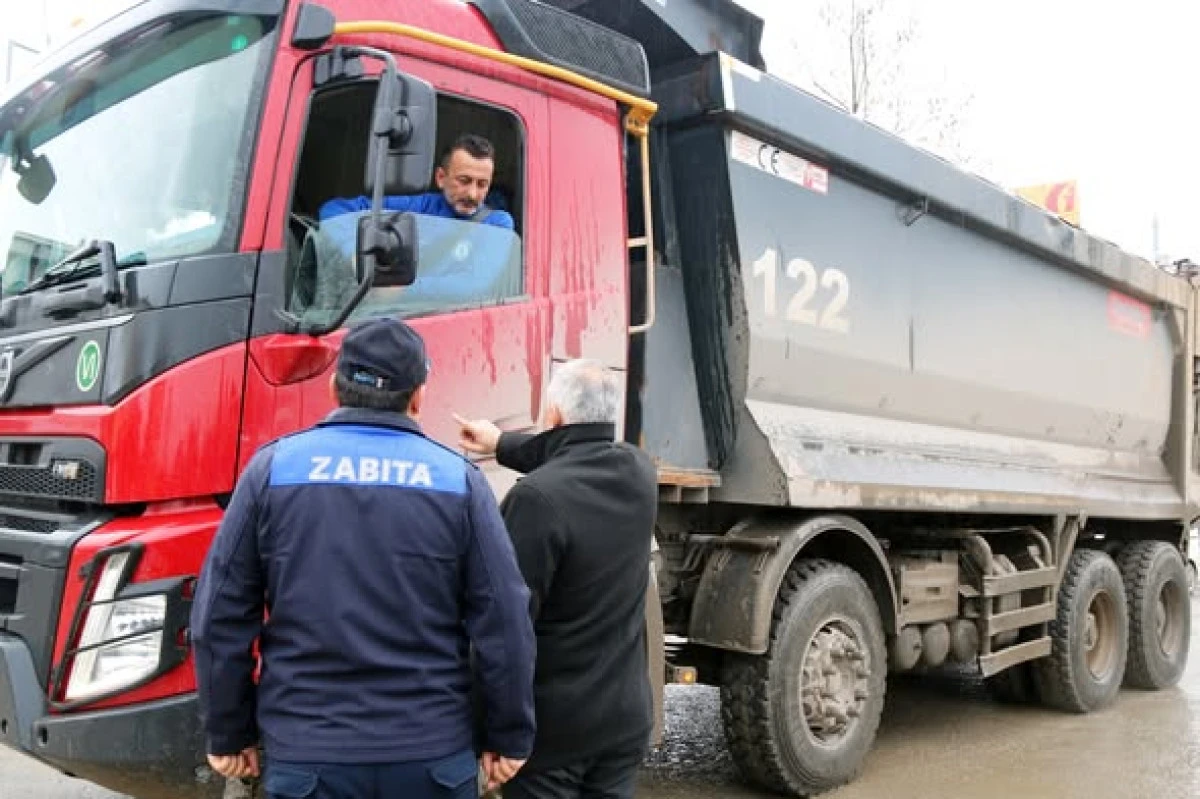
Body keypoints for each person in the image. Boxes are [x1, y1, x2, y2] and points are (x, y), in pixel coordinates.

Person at [190, 317, 536, 799]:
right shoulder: (459, 482)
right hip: (430, 758)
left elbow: (218, 616)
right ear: (418, 397)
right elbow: (504, 620)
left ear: (334, 388)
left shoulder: (273, 470)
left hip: (308, 756)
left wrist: (229, 731)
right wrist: (508, 736)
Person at [456, 359, 658, 799]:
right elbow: (577, 448)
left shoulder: (536, 499)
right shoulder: (640, 474)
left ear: (554, 415)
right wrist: (500, 442)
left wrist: (494, 734)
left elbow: (506, 628)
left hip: (555, 737)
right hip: (623, 725)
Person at [319, 133, 515, 230]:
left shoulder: (496, 223)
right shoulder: (419, 206)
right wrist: (352, 252)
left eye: (482, 184)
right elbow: (333, 210)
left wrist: (396, 287)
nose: (472, 194)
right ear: (440, 178)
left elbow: (473, 284)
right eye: (464, 181)